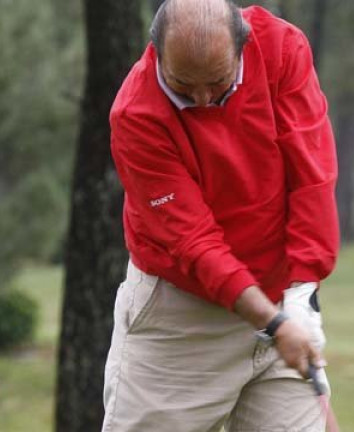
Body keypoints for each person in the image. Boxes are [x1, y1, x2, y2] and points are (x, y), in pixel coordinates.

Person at [102, 0, 339, 430]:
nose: (202, 99)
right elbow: (196, 244)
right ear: (157, 52)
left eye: (216, 82)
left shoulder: (282, 50)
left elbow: (312, 176)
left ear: (242, 47)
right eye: (182, 84)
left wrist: (303, 295)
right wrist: (275, 322)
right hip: (180, 322)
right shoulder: (136, 114)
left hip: (279, 303)